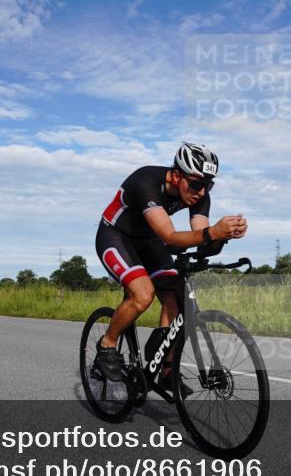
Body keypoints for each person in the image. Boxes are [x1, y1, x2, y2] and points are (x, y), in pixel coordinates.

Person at [94, 142, 247, 385]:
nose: (201, 191)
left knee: (177, 297)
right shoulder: (146, 181)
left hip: (149, 240)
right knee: (143, 295)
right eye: (196, 184)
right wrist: (213, 233)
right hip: (117, 236)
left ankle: (165, 370)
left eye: (208, 185)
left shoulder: (199, 195)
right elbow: (170, 237)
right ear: (176, 175)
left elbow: (201, 237)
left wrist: (223, 236)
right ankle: (107, 344)